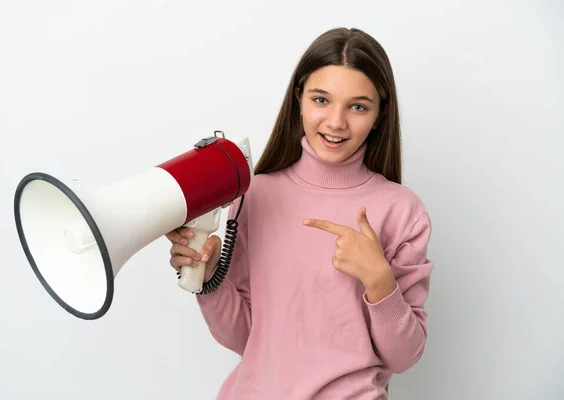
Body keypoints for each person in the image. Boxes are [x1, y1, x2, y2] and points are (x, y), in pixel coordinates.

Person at [166, 26, 433, 399]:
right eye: (321, 100)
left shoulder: (402, 211)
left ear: (379, 114)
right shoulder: (253, 195)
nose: (336, 121)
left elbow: (404, 356)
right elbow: (247, 338)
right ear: (299, 98)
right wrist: (210, 279)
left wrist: (380, 282)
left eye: (358, 106)